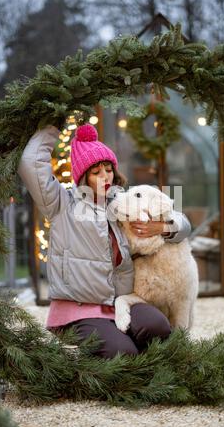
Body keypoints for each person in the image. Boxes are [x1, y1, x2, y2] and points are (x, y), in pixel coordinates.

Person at [17, 123, 192, 359]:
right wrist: (54, 122)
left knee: (159, 328)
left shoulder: (121, 200)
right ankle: (111, 346)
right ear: (83, 176)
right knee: (124, 354)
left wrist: (161, 227)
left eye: (108, 169)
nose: (105, 177)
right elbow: (31, 163)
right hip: (80, 308)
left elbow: (182, 222)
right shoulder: (61, 203)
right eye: (96, 172)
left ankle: (120, 341)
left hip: (121, 302)